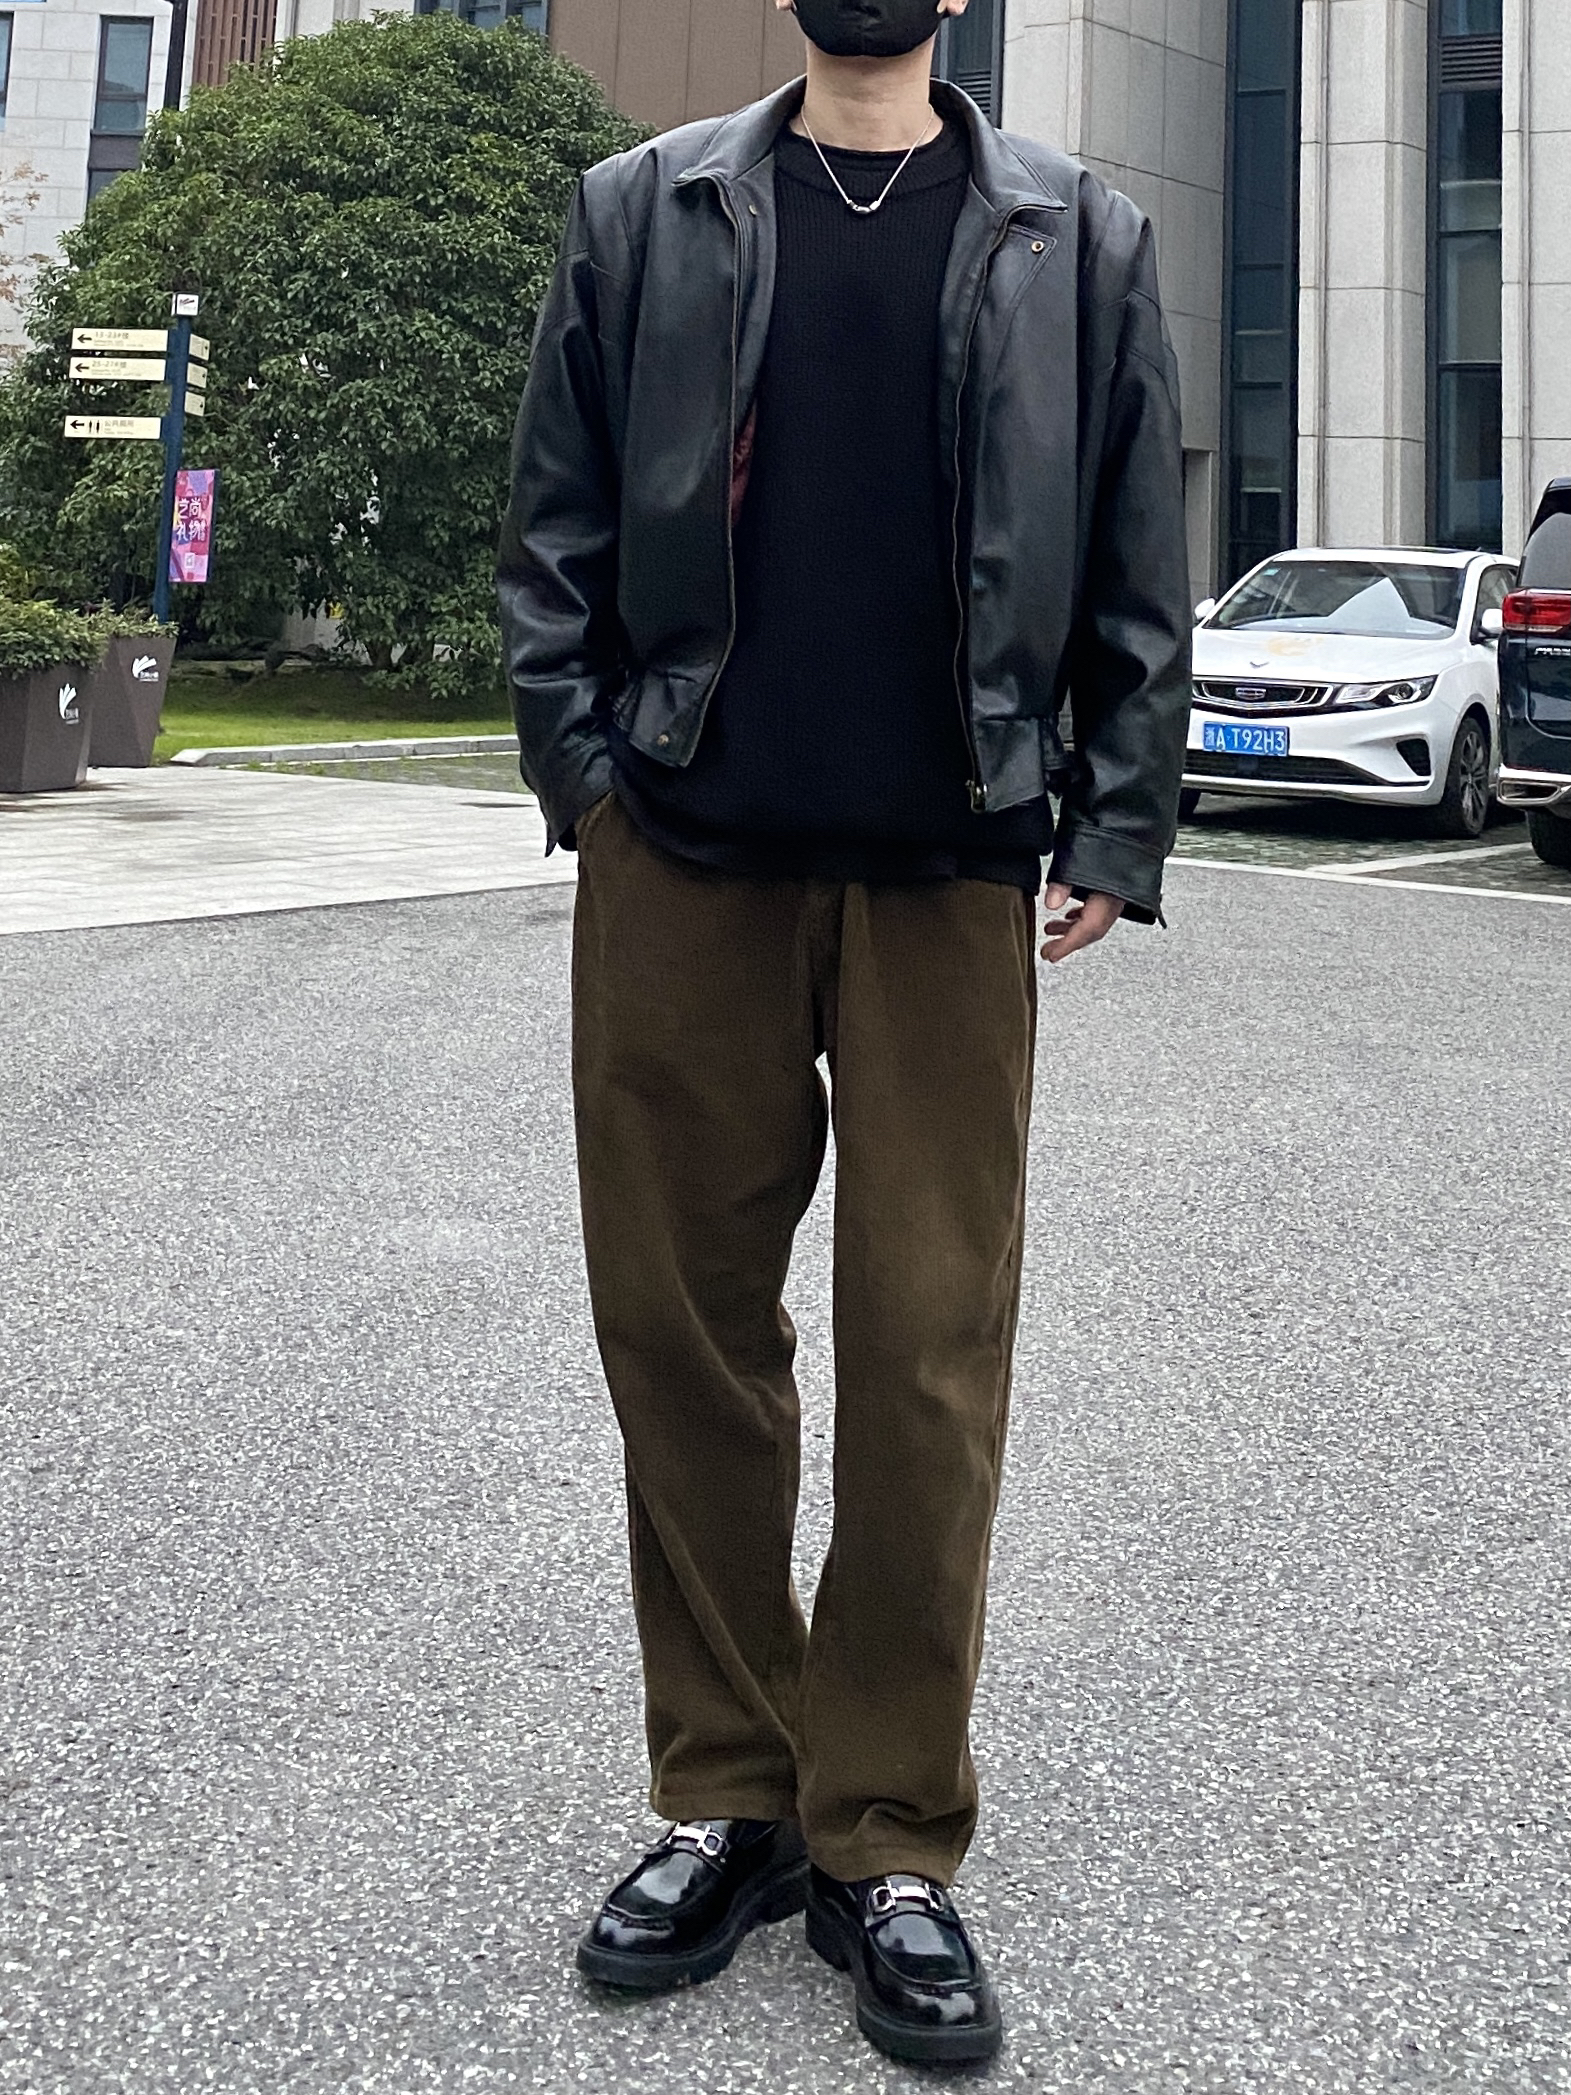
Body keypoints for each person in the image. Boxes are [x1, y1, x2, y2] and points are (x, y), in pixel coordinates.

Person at [498, 0, 1189, 2064]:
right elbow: (553, 524)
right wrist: (589, 783)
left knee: (926, 1354)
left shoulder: (1079, 235)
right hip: (685, 855)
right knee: (681, 1331)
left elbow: (1137, 550)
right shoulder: (644, 212)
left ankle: (883, 1831)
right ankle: (729, 1795)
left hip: (948, 869)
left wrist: (1119, 815)